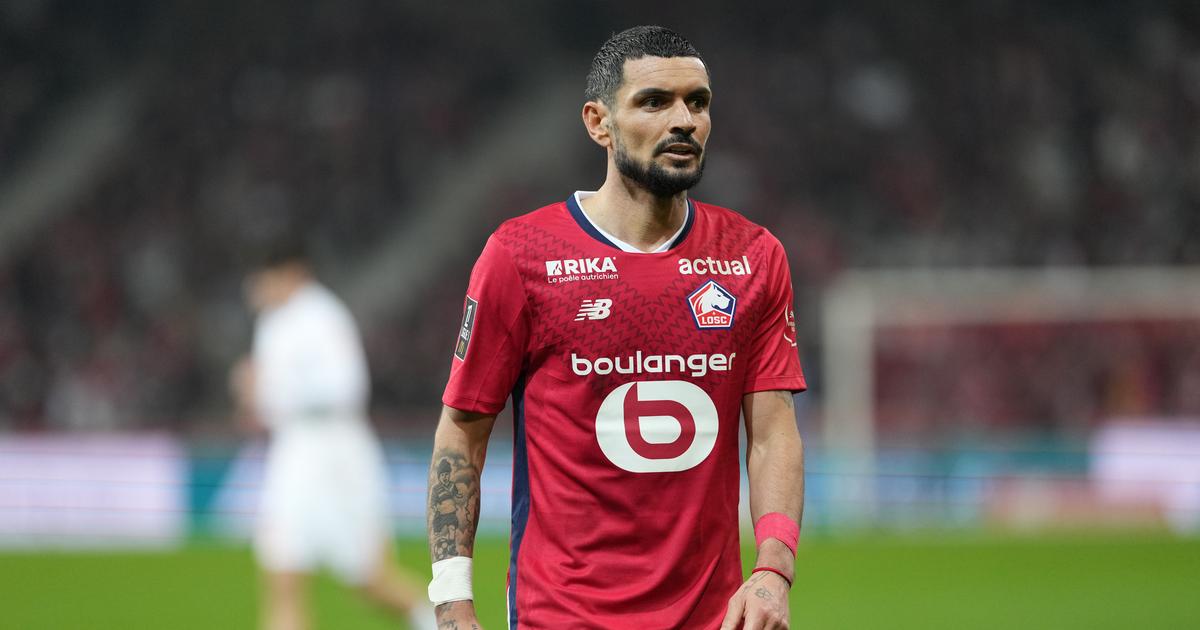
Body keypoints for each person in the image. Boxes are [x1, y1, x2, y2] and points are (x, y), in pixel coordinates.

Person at [425, 25, 806, 630]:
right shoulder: (521, 256)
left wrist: (772, 571)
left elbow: (772, 433)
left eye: (698, 102)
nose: (684, 121)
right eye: (654, 102)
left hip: (713, 617)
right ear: (598, 123)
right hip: (561, 614)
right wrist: (452, 604)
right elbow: (462, 434)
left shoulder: (753, 257)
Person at [230, 237, 435, 630]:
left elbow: (346, 387)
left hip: (336, 453)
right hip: (294, 451)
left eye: (263, 276)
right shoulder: (271, 323)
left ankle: (433, 620)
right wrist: (256, 398)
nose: (255, 286)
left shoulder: (324, 317)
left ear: (292, 272)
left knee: (370, 579)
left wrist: (272, 389)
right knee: (282, 573)